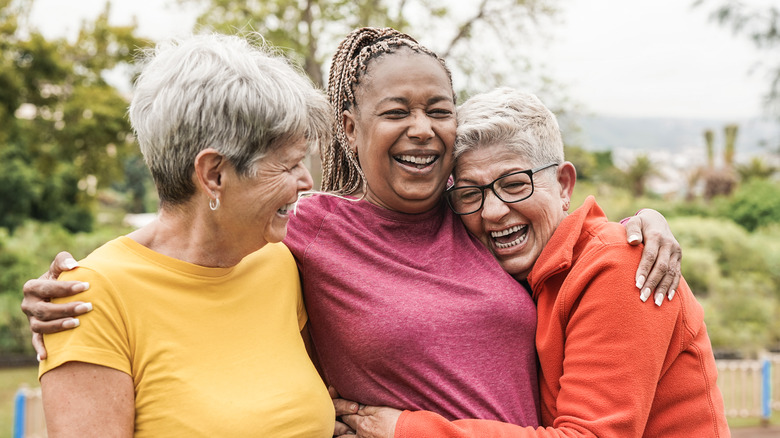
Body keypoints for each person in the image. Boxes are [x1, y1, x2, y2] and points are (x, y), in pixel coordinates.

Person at [23, 27, 682, 432]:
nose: (423, 129)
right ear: (348, 129)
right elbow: (176, 254)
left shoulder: (476, 213)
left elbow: (554, 230)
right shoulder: (301, 238)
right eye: (396, 111)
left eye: (439, 110)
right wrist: (69, 291)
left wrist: (638, 228)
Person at [336, 88, 729, 437]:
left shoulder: (619, 266)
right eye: (471, 193)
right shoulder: (523, 273)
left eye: (514, 185)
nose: (492, 211)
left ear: (563, 185)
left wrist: (404, 429)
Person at [34, 33, 336, 437]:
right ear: (214, 174)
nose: (306, 182)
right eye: (289, 165)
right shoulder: (90, 299)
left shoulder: (278, 259)